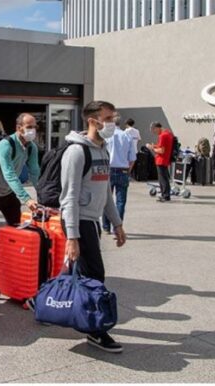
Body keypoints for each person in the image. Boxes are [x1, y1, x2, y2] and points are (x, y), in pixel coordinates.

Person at [59, 100, 127, 353]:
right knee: (94, 277)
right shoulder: (76, 152)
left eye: (113, 118)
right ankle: (95, 331)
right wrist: (72, 236)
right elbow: (69, 197)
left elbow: (106, 192)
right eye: (108, 118)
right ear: (93, 120)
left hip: (93, 221)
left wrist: (117, 223)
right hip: (79, 222)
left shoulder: (103, 150)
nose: (112, 123)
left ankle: (41, 300)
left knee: (77, 271)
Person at [0, 113, 41, 277]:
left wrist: (43, 196)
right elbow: (9, 174)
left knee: (17, 229)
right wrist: (26, 198)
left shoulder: (31, 147)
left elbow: (35, 172)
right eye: (29, 127)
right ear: (18, 128)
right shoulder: (5, 145)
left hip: (9, 194)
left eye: (34, 127)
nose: (32, 130)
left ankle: (14, 264)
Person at [102, 115, 137, 234]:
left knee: (106, 199)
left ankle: (106, 226)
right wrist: (128, 170)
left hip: (108, 170)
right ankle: (117, 227)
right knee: (121, 201)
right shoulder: (127, 136)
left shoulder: (105, 136)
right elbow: (132, 158)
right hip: (123, 169)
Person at [146, 122, 174, 202]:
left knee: (162, 179)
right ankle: (165, 194)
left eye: (154, 130)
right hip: (165, 159)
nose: (154, 132)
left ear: (156, 128)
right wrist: (154, 146)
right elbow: (162, 146)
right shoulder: (168, 133)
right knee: (164, 178)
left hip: (161, 160)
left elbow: (161, 150)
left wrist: (152, 149)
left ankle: (165, 195)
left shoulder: (163, 135)